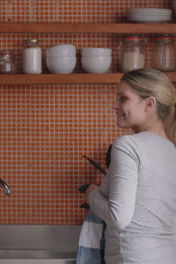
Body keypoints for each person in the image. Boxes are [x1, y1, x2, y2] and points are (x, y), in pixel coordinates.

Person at [84, 68, 176, 264]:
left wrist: (91, 193)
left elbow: (119, 218)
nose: (114, 106)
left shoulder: (128, 145)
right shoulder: (171, 150)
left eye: (123, 98)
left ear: (149, 104)